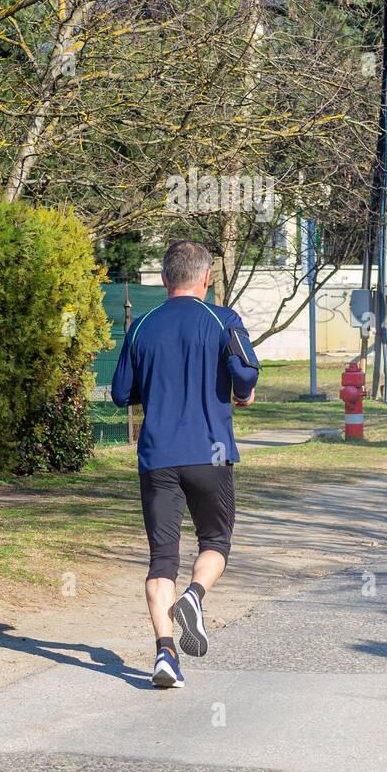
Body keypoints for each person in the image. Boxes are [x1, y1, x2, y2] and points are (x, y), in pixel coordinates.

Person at [111, 240, 259, 688]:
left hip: (157, 457)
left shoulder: (142, 327)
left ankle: (165, 654)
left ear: (163, 279)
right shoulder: (223, 319)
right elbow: (247, 373)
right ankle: (195, 596)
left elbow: (121, 393)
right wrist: (241, 391)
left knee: (161, 560)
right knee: (215, 540)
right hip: (210, 454)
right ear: (207, 278)